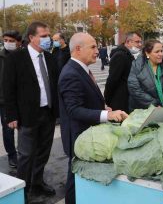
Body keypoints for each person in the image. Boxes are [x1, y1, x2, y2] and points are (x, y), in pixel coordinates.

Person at [58, 33, 128, 204]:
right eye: (93, 47)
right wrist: (107, 115)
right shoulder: (71, 73)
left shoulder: (82, 69)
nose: (98, 51)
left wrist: (103, 108)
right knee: (74, 179)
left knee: (78, 178)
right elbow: (74, 110)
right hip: (78, 137)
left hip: (87, 134)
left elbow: (84, 100)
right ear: (78, 49)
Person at [4, 22, 59, 199]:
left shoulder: (49, 58)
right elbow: (8, 88)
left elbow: (54, 85)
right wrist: (11, 115)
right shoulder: (16, 58)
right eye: (43, 36)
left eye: (48, 35)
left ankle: (37, 182)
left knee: (43, 152)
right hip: (27, 115)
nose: (47, 39)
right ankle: (23, 189)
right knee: (26, 155)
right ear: (31, 38)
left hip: (48, 113)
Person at [104, 32, 142, 113]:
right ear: (128, 42)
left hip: (127, 99)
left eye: (140, 42)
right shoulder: (120, 56)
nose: (140, 44)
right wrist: (107, 100)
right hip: (120, 101)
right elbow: (112, 80)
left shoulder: (129, 55)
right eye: (137, 42)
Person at [0, 30, 22, 168]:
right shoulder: (1, 57)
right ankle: (12, 156)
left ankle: (24, 153)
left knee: (24, 128)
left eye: (11, 41)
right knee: (8, 130)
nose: (7, 43)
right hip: (4, 101)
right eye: (5, 40)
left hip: (22, 99)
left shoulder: (23, 56)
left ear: (18, 42)